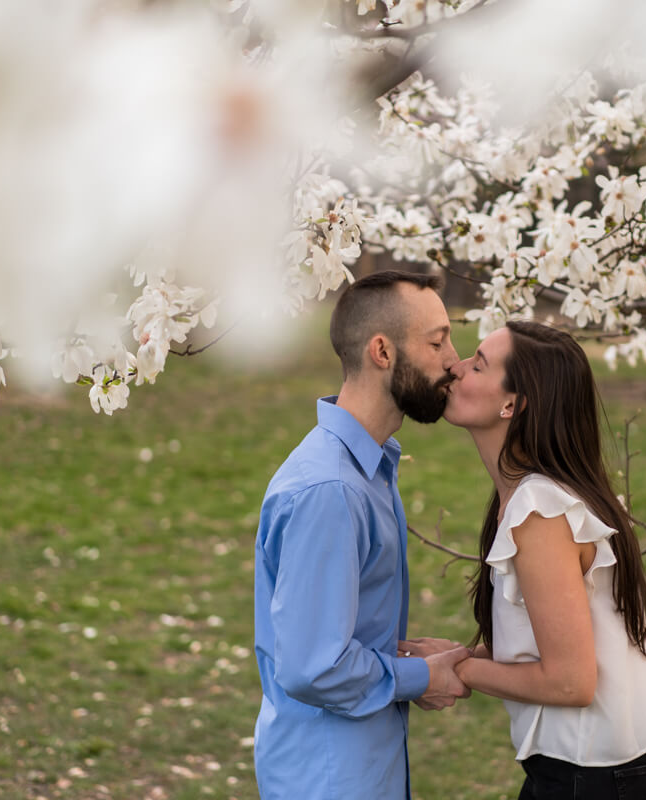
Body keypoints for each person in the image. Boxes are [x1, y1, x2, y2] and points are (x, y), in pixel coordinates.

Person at [253, 271, 472, 799]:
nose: (454, 361)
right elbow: (313, 667)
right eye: (437, 342)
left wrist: (405, 658)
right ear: (382, 351)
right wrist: (421, 678)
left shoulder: (368, 468)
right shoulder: (331, 490)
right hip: (329, 780)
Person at [443, 320, 646, 800]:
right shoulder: (539, 496)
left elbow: (571, 682)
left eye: (478, 365)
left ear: (513, 404)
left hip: (596, 780)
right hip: (601, 775)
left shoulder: (541, 511)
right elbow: (557, 652)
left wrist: (459, 673)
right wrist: (459, 655)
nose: (456, 367)